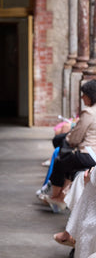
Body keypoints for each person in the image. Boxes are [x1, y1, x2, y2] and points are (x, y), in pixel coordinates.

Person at [40, 80, 96, 212]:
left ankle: (56, 197)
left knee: (61, 161)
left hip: (89, 154)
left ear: (91, 95)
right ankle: (60, 197)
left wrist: (68, 138)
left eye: (84, 95)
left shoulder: (89, 113)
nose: (82, 97)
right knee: (68, 160)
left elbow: (75, 138)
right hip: (90, 154)